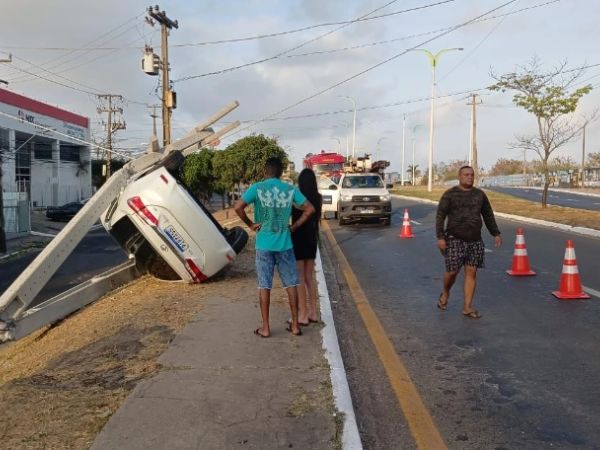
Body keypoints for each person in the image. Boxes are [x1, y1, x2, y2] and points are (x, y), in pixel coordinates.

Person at [234, 157, 315, 337]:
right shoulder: (290, 189)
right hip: (285, 244)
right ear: (280, 172)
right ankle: (295, 326)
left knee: (265, 286)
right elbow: (310, 209)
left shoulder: (257, 188)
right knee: (291, 283)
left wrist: (250, 224)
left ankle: (265, 328)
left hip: (264, 244)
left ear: (265, 172)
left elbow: (238, 207)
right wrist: (294, 226)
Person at [435, 165, 502, 319]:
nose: (469, 177)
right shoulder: (450, 195)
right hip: (454, 239)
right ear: (459, 176)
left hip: (475, 240)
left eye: (472, 175)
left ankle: (467, 306)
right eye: (466, 175)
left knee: (471, 272)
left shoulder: (480, 195)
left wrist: (495, 233)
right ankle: (445, 292)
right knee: (452, 272)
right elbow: (440, 216)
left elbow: (488, 215)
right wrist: (440, 237)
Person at [291, 169, 322, 325]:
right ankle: (314, 313)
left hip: (298, 239)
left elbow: (292, 217)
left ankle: (302, 315)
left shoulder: (298, 199)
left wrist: (293, 227)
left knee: (300, 278)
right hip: (311, 240)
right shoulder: (318, 198)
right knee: (309, 277)